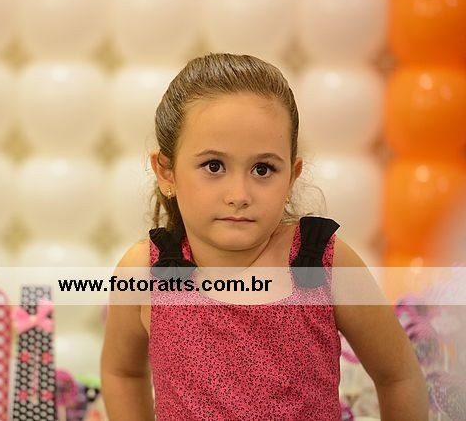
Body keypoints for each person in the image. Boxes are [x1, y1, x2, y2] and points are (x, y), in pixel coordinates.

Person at [100, 53, 428, 420]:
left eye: (262, 169)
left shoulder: (322, 261)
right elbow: (122, 372)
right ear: (166, 172)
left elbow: (398, 375)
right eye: (214, 166)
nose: (239, 194)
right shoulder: (145, 271)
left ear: (291, 177)